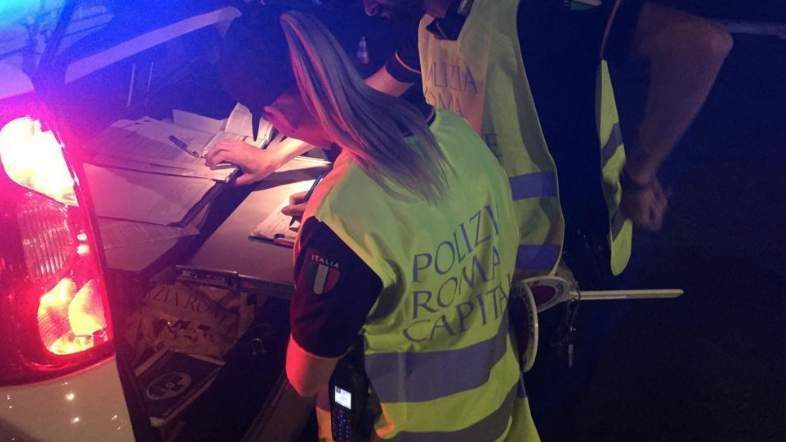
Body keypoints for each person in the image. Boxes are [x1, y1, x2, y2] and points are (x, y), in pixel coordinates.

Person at [221, 8, 541, 441]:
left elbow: (306, 378)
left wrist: (324, 235)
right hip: (502, 418)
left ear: (279, 114)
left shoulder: (340, 221)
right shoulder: (455, 133)